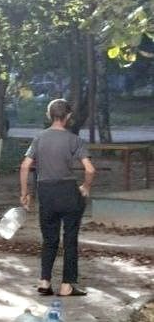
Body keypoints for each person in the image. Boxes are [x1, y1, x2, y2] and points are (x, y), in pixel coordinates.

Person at [19, 99, 95, 297]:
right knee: (70, 239)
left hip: (46, 193)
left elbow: (25, 166)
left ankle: (44, 281)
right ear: (68, 116)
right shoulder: (74, 140)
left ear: (48, 115)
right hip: (69, 192)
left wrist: (25, 193)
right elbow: (90, 169)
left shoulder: (39, 138)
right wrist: (85, 187)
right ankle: (67, 285)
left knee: (49, 239)